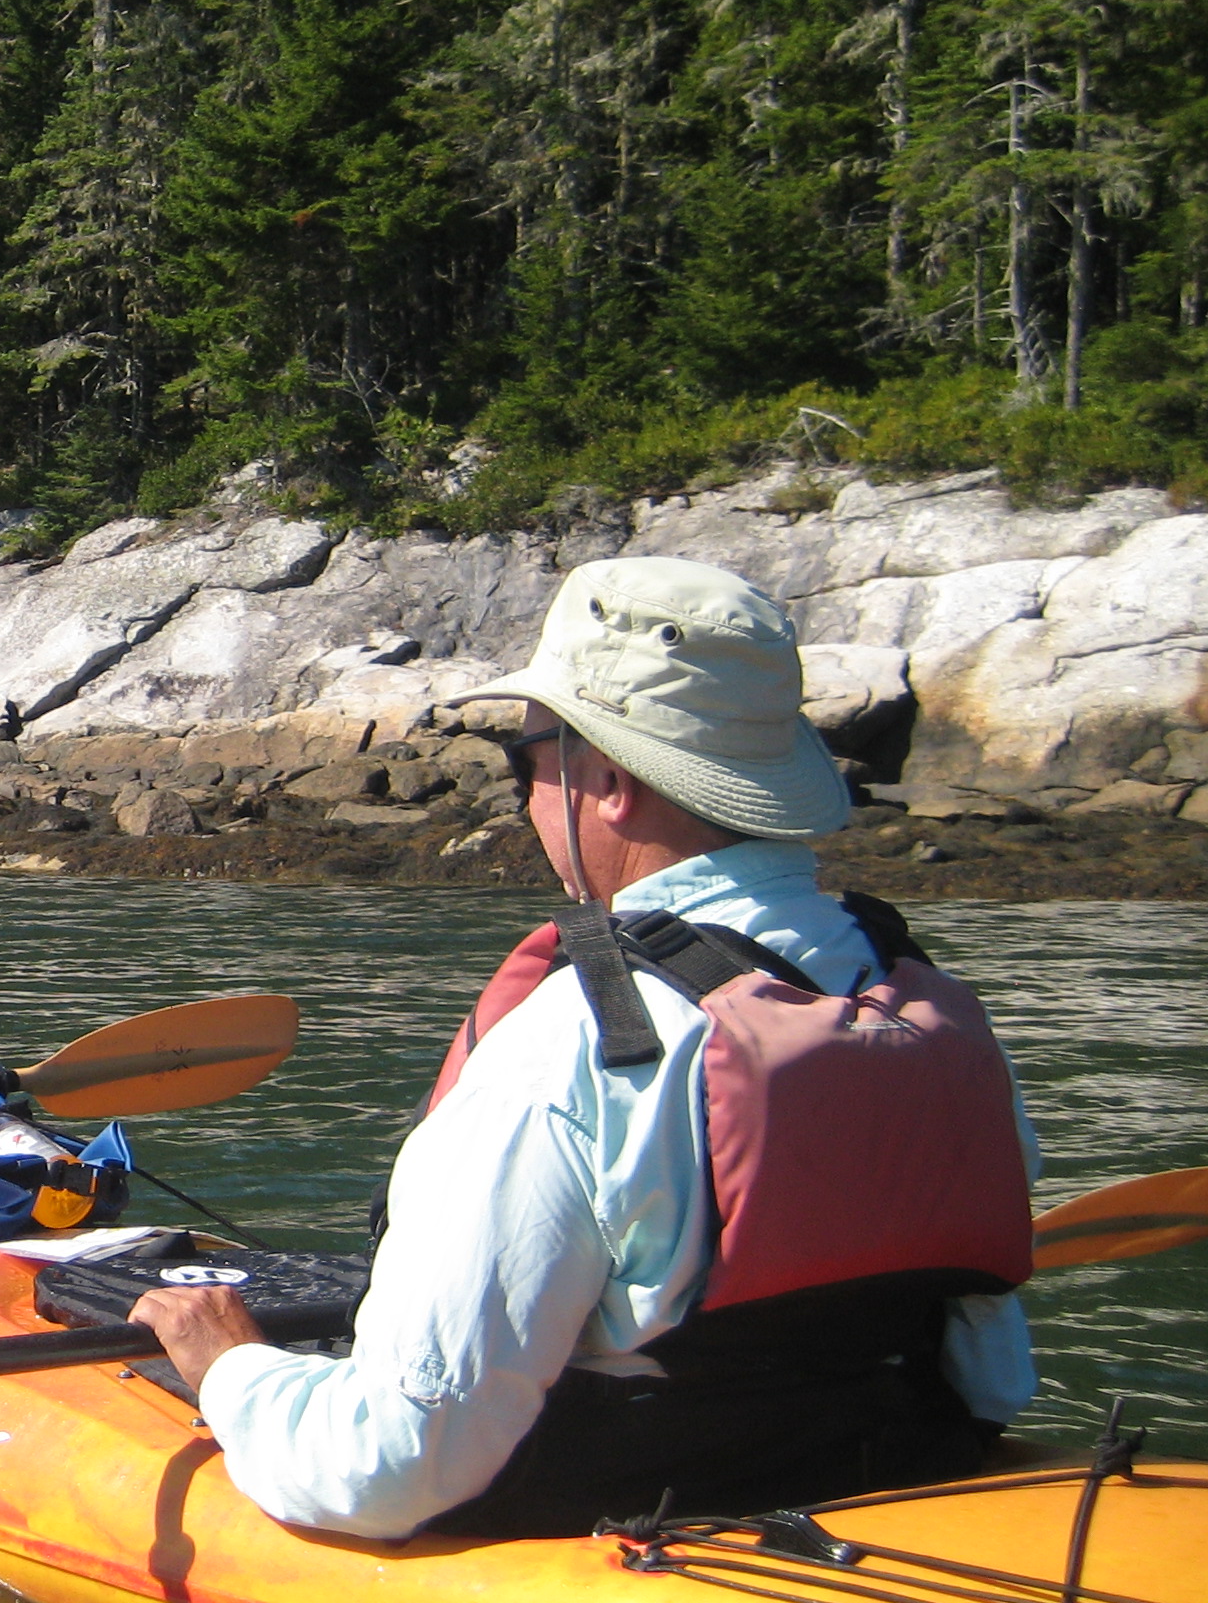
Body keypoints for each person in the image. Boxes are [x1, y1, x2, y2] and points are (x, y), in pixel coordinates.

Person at [133, 557, 1041, 1540]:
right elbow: (993, 1379)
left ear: (605, 783)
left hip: (619, 1503)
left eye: (529, 766)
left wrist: (231, 1363)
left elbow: (390, 1465)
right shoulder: (922, 1002)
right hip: (891, 1464)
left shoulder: (574, 1047)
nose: (526, 802)